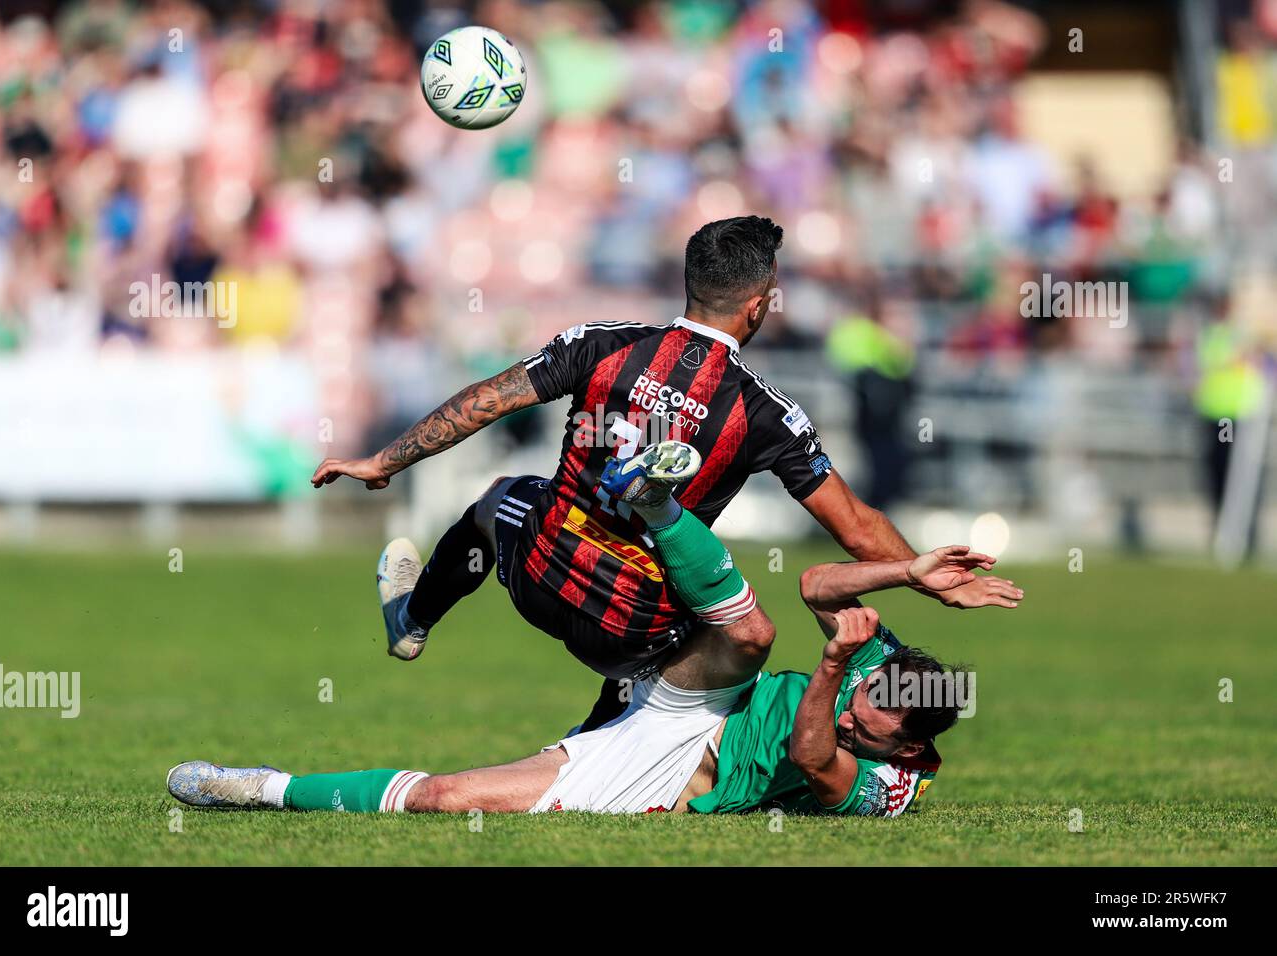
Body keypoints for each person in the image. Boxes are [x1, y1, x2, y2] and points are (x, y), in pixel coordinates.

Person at [312, 217, 1006, 728]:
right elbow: (855, 531)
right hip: (637, 629)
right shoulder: (762, 411)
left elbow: (484, 402)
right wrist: (927, 575)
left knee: (501, 499)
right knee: (716, 623)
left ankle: (413, 619)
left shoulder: (602, 344)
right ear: (759, 303)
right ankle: (601, 750)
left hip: (540, 578)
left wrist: (386, 460)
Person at [171, 443, 1022, 817]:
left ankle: (264, 787)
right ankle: (648, 501)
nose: (863, 699)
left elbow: (808, 758)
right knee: (754, 634)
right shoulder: (886, 673)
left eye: (878, 712)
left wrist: (835, 668)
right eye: (871, 684)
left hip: (674, 763)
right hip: (702, 687)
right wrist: (906, 572)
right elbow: (817, 581)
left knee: (449, 799)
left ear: (904, 747)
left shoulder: (890, 789)